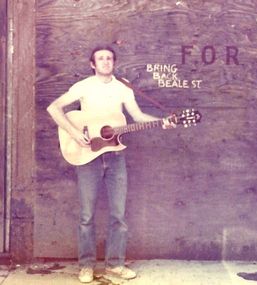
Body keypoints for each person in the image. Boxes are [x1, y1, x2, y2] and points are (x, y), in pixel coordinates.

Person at [47, 45, 175, 283]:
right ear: (92, 64)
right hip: (88, 157)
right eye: (100, 58)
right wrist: (74, 133)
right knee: (87, 215)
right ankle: (86, 266)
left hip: (115, 157)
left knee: (118, 215)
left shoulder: (123, 87)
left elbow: (137, 117)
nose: (105, 62)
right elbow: (53, 108)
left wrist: (162, 122)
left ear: (114, 63)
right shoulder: (83, 87)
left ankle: (115, 266)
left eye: (109, 58)